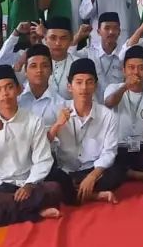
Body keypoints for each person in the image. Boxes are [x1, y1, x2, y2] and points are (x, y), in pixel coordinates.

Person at [0, 65, 63, 227]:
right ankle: (33, 213)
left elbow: (43, 159)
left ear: (19, 89)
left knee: (54, 189)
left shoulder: (33, 121)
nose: (5, 94)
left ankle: (3, 213)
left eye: (9, 87)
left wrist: (29, 185)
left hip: (22, 186)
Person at [45, 59, 122, 205]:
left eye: (89, 82)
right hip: (66, 171)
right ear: (70, 86)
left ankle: (75, 192)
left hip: (92, 169)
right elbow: (44, 145)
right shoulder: (58, 110)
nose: (84, 88)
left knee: (116, 172)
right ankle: (94, 195)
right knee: (50, 176)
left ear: (95, 86)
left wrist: (92, 176)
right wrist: (57, 125)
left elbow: (109, 152)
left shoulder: (107, 115)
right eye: (79, 82)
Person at [103, 45, 143, 181]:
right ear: (123, 70)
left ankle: (130, 173)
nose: (136, 72)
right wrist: (126, 86)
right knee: (109, 160)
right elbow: (109, 103)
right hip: (120, 146)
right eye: (131, 68)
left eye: (141, 68)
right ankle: (135, 174)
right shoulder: (113, 88)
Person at [17, 45, 67, 128]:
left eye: (44, 66)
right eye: (33, 66)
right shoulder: (16, 99)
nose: (39, 70)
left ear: (51, 70)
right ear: (25, 70)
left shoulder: (60, 104)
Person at [74, 13, 125, 93]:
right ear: (98, 31)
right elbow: (68, 55)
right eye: (107, 28)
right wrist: (78, 36)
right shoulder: (90, 52)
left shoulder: (124, 54)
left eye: (115, 28)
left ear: (119, 32)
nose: (111, 32)